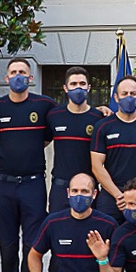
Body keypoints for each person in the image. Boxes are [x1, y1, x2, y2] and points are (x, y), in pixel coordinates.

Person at [0, 56, 56, 272]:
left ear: (30, 78)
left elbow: (57, 128)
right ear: (6, 78)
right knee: (7, 246)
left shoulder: (44, 105)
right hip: (4, 186)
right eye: (13, 72)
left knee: (32, 245)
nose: (18, 76)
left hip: (33, 185)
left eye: (22, 72)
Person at [91, 75, 136, 220]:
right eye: (124, 94)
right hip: (111, 197)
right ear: (116, 98)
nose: (129, 97)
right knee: (108, 239)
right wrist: (118, 195)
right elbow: (97, 165)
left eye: (133, 94)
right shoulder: (103, 126)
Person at [46, 66, 99, 214]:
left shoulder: (98, 118)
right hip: (60, 188)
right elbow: (42, 142)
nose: (78, 88)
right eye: (73, 84)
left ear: (89, 87)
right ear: (65, 88)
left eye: (82, 84)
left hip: (88, 189)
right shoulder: (54, 116)